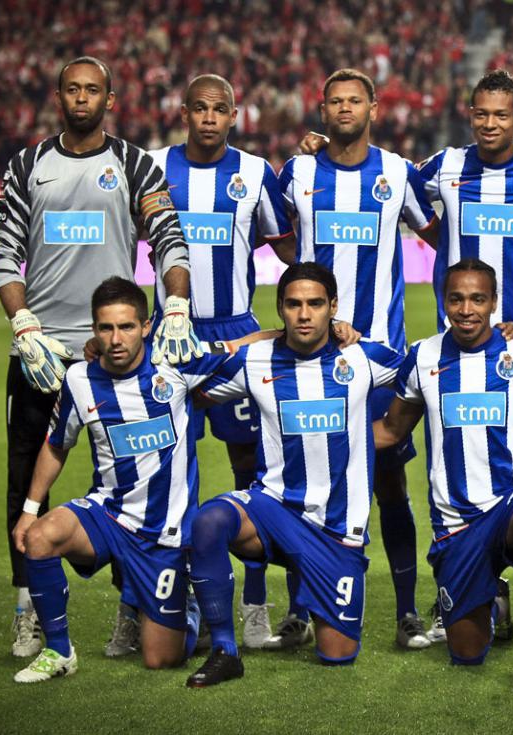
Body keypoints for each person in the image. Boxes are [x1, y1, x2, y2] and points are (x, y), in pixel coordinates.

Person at [299, 69, 513, 643]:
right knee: (454, 473)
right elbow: (385, 180)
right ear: (470, 115)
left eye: (501, 114)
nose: (490, 124)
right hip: (453, 348)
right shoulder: (442, 167)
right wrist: (322, 145)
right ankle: (468, 591)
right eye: (481, 113)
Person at [0, 56, 197, 660]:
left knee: (133, 481)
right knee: (26, 477)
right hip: (41, 351)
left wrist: (176, 303)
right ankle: (29, 609)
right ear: (58, 98)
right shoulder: (27, 165)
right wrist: (23, 324)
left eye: (93, 90)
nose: (82, 98)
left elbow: (169, 239)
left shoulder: (134, 164)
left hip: (114, 352)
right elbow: (3, 250)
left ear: (110, 100)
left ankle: (132, 609)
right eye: (72, 90)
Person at [185, 262, 404, 686]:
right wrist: (260, 337)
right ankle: (225, 650)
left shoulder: (362, 356)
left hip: (336, 530)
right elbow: (189, 387)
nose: (304, 314)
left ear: (333, 308)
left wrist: (393, 429)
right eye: (294, 305)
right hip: (274, 510)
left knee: (337, 655)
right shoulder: (256, 359)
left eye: (315, 304)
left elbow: (428, 372)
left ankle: (315, 598)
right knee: (209, 521)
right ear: (281, 308)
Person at [9, 277, 236, 683]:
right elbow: (56, 445)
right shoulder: (79, 379)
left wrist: (323, 333)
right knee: (41, 537)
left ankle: (187, 608)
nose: (116, 339)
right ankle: (59, 650)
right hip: (109, 515)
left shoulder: (176, 364)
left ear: (146, 326)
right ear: (94, 330)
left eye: (127, 327)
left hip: (164, 536)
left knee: (160, 659)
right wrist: (29, 511)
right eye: (106, 328)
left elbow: (247, 347)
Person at [280, 68, 439, 650]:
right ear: (322, 111)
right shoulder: (298, 172)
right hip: (311, 359)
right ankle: (299, 610)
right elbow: (271, 232)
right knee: (306, 485)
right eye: (335, 101)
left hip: (381, 359)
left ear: (374, 108)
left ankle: (406, 611)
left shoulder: (397, 173)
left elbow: (440, 234)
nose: (345, 109)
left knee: (390, 484)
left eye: (355, 100)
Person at [146, 74, 304, 654]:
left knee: (253, 473)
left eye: (220, 109)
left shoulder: (256, 172)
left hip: (236, 335)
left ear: (234, 116)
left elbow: (287, 246)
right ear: (184, 112)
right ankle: (156, 604)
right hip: (171, 339)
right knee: (162, 475)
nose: (210, 118)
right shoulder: (153, 167)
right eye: (200, 108)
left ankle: (255, 607)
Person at [373, 259, 513, 698]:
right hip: (456, 523)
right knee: (466, 652)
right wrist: (329, 437)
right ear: (443, 301)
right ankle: (493, 600)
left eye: (478, 299)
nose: (466, 309)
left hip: (512, 500)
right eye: (456, 299)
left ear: (494, 303)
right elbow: (393, 429)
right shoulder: (423, 356)